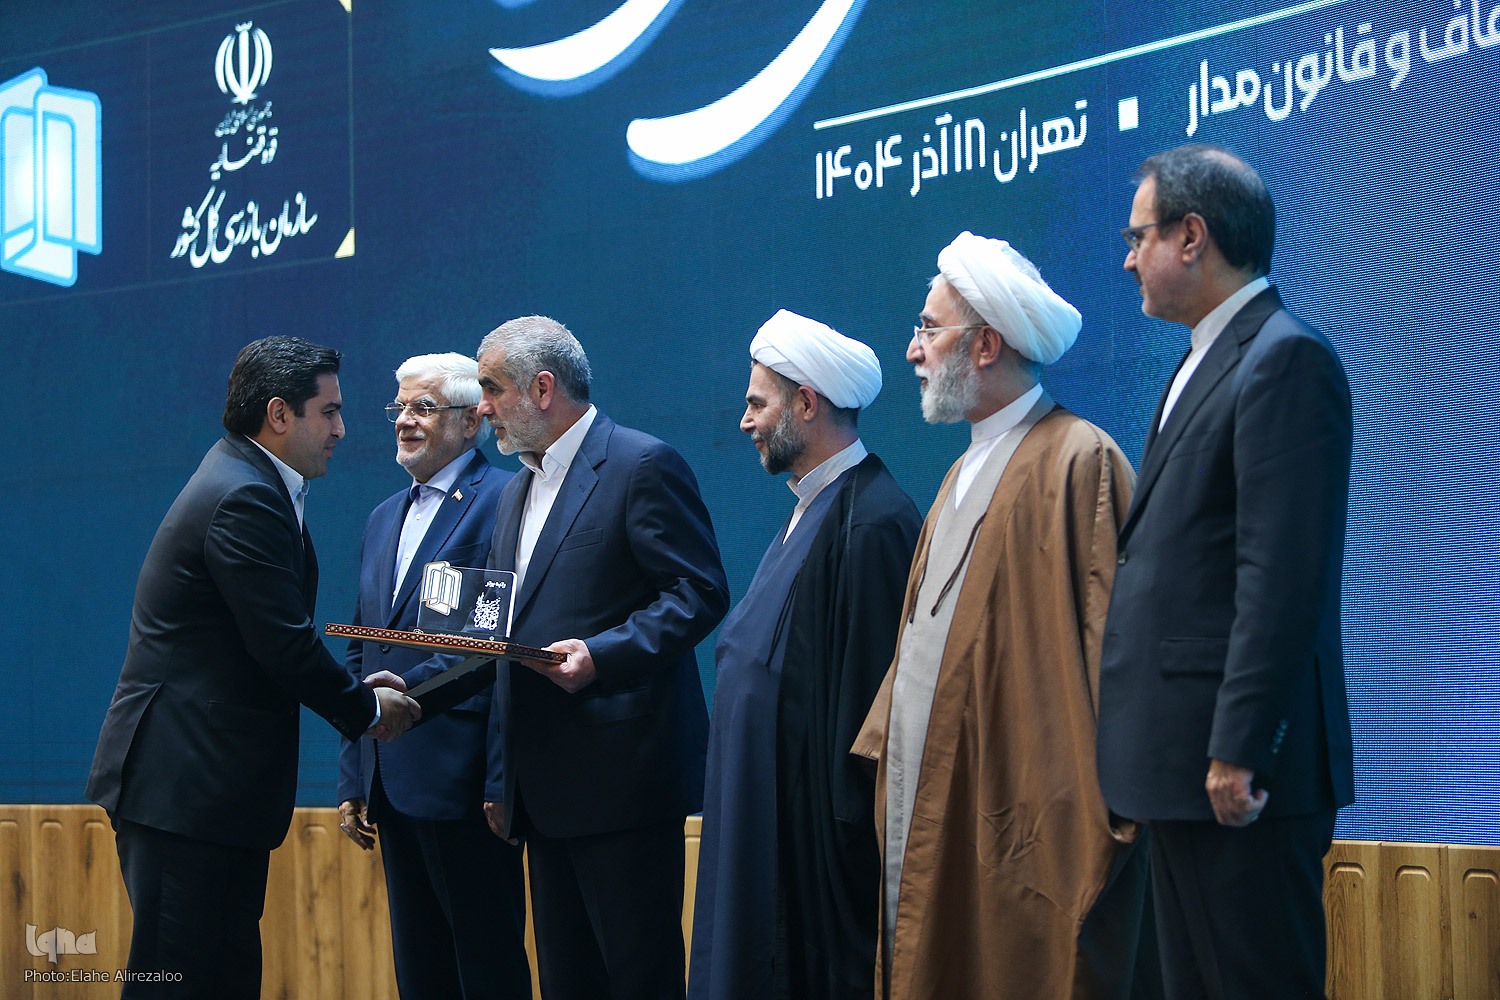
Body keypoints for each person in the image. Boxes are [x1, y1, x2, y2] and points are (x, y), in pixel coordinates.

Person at [852, 233, 1148, 999]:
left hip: (1012, 818)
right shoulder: (958, 472)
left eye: (928, 329)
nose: (914, 351)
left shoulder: (1079, 461)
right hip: (930, 800)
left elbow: (1112, 667)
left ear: (985, 346)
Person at [86, 336, 420, 999]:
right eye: (329, 412)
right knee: (178, 980)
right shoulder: (243, 494)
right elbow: (283, 645)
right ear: (279, 414)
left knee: (222, 975)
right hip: (185, 789)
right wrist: (367, 710)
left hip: (208, 790)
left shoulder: (246, 478)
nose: (341, 430)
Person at [1096, 144, 1354, 1000]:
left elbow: (1281, 577)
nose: (1128, 259)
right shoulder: (1204, 357)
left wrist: (1239, 748)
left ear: (1192, 236)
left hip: (1236, 779)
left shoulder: (1285, 357)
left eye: (1137, 237)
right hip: (1182, 773)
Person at [473, 315, 729, 1000]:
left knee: (638, 980)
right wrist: (499, 774)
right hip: (539, 792)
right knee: (566, 983)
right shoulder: (514, 491)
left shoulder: (641, 464)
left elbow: (699, 593)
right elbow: (501, 639)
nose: (483, 408)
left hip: (623, 787)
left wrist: (601, 655)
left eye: (492, 388)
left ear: (543, 388)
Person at [689, 310, 920, 1000]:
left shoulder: (873, 521)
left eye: (758, 404)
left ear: (807, 404)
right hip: (764, 823)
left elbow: (868, 719)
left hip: (814, 863)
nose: (745, 422)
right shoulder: (813, 506)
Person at [335, 353, 530, 999]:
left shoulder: (504, 499)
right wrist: (355, 771)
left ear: (471, 421)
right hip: (389, 778)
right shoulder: (383, 516)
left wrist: (501, 779)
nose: (404, 421)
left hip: (463, 780)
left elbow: (492, 646)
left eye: (423, 407)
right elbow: (362, 649)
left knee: (486, 967)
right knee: (420, 971)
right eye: (399, 408)